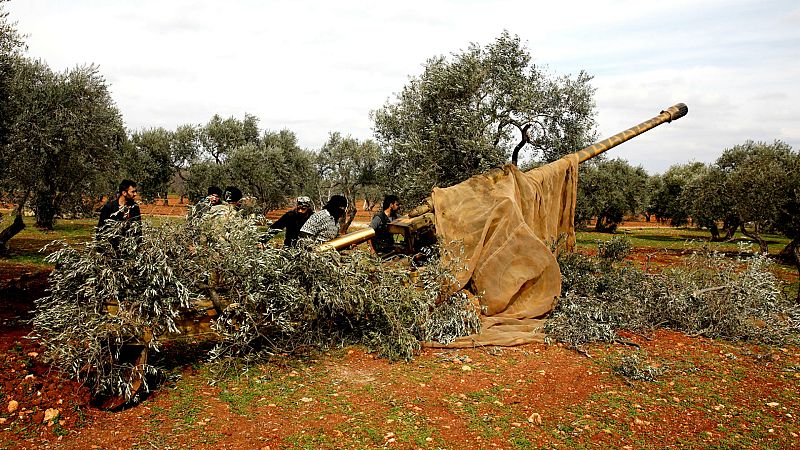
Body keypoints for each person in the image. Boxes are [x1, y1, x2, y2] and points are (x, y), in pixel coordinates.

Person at [96, 179, 142, 249]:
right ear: (124, 193)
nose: (135, 194)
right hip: (112, 248)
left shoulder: (134, 207)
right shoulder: (109, 207)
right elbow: (100, 228)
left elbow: (138, 228)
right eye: (133, 192)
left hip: (129, 247)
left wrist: (138, 246)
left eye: (136, 191)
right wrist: (101, 248)